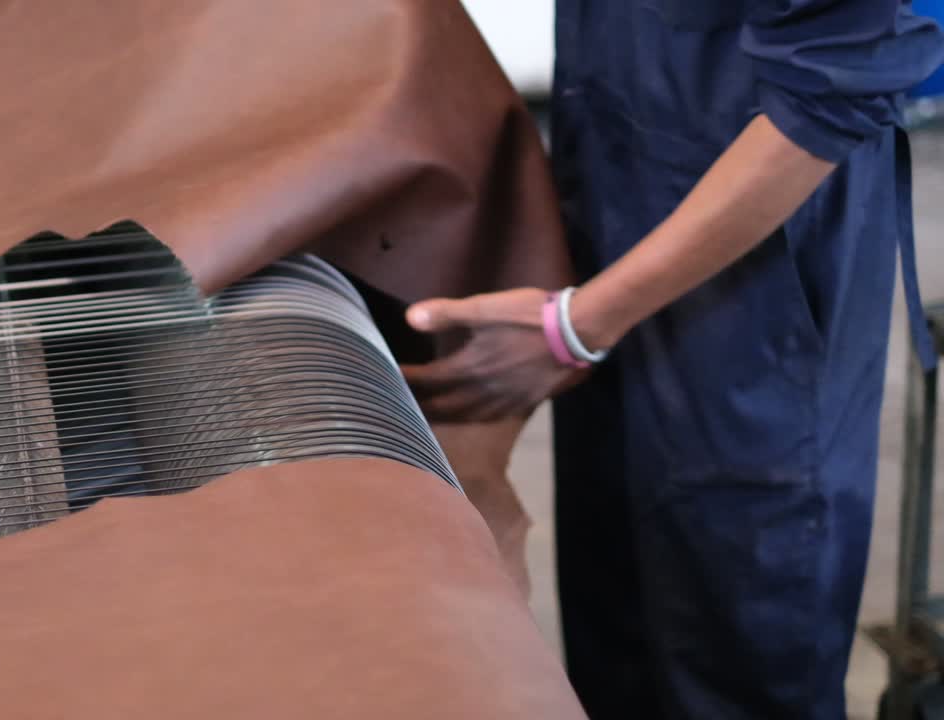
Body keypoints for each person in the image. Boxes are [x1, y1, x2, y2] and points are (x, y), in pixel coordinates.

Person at [400, 2, 944, 717]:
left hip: (756, 298)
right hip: (614, 214)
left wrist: (581, 323)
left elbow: (832, 82)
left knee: (734, 650)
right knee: (620, 639)